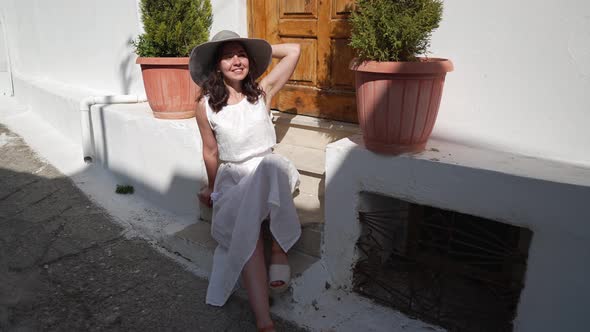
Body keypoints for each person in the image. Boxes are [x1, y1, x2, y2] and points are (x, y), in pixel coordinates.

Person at [188, 30, 302, 332]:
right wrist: (212, 188)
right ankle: (264, 322)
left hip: (269, 172)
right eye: (227, 56)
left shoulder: (262, 92)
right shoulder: (207, 105)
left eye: (242, 54)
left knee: (273, 164)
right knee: (247, 233)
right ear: (216, 65)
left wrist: (262, 48)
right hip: (235, 179)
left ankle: (278, 250)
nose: (237, 61)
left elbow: (294, 50)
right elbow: (210, 151)